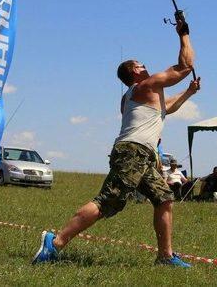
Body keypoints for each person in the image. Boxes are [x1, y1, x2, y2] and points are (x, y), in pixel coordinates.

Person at [32, 19, 199, 267]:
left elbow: (166, 108)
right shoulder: (146, 85)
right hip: (133, 153)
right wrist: (184, 34)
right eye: (141, 64)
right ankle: (55, 242)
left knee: (164, 198)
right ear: (134, 71)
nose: (145, 65)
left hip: (139, 154)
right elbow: (186, 66)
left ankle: (165, 256)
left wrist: (188, 93)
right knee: (107, 202)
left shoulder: (134, 95)